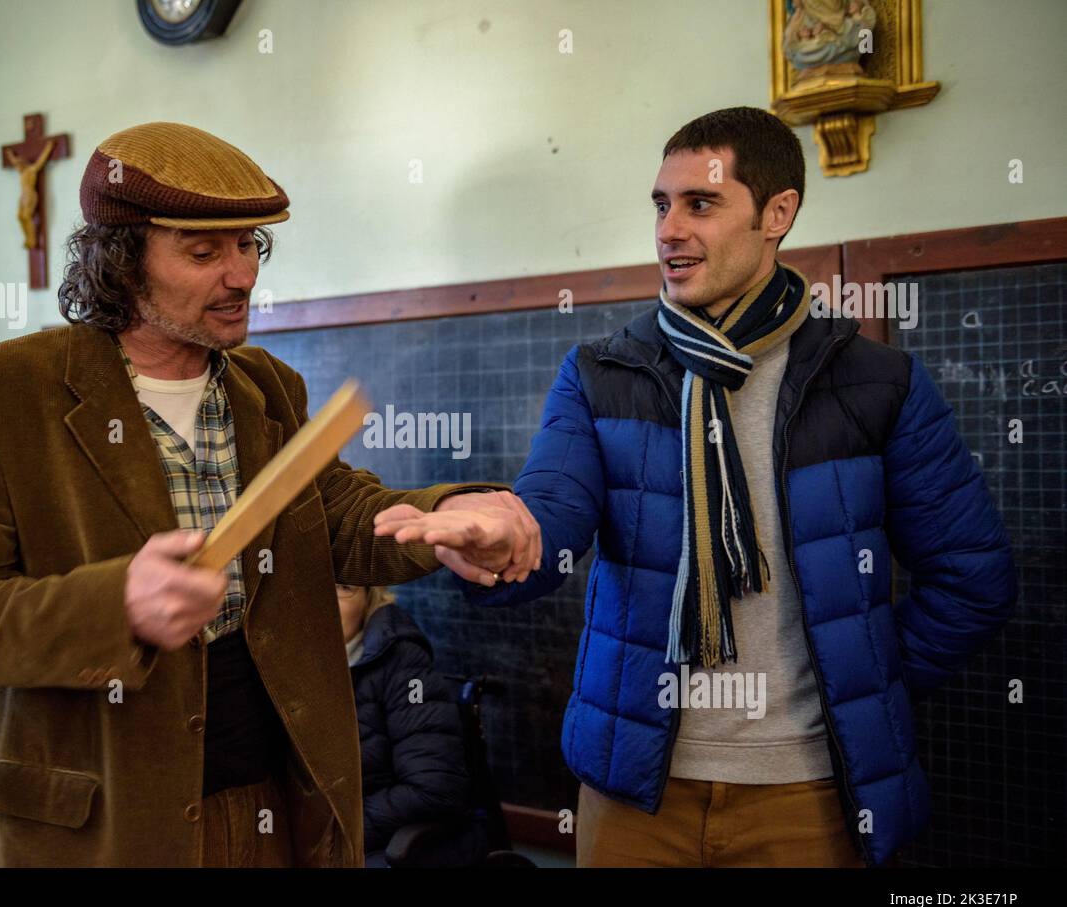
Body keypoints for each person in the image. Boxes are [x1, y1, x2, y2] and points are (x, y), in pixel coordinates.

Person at [377, 106, 1017, 867]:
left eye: (701, 203)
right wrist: (506, 544)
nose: (669, 229)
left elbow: (974, 574)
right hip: (635, 793)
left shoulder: (874, 381)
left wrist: (867, 678)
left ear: (777, 214)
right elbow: (553, 518)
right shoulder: (602, 375)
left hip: (810, 794)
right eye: (661, 204)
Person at [0, 122, 541, 867]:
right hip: (102, 822)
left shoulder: (268, 387)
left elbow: (336, 510)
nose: (240, 276)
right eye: (204, 252)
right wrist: (113, 606)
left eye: (250, 246)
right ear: (120, 259)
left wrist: (446, 513)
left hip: (275, 803)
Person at [337, 583, 485, 867]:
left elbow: (433, 789)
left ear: (370, 595)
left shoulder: (401, 660)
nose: (324, 602)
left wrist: (336, 834)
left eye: (344, 587)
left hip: (384, 847)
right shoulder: (280, 667)